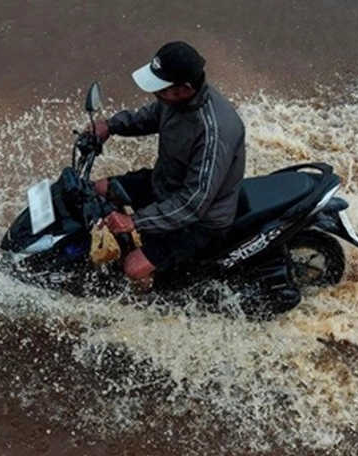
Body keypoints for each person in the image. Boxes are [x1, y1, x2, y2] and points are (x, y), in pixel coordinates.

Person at [91, 40, 246, 291]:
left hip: (201, 220)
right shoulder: (174, 101)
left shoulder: (212, 134)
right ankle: (130, 244)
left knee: (133, 268)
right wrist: (110, 126)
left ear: (185, 88)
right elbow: (149, 117)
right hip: (167, 185)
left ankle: (146, 303)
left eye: (161, 90)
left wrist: (136, 221)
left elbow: (193, 203)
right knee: (100, 188)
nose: (157, 95)